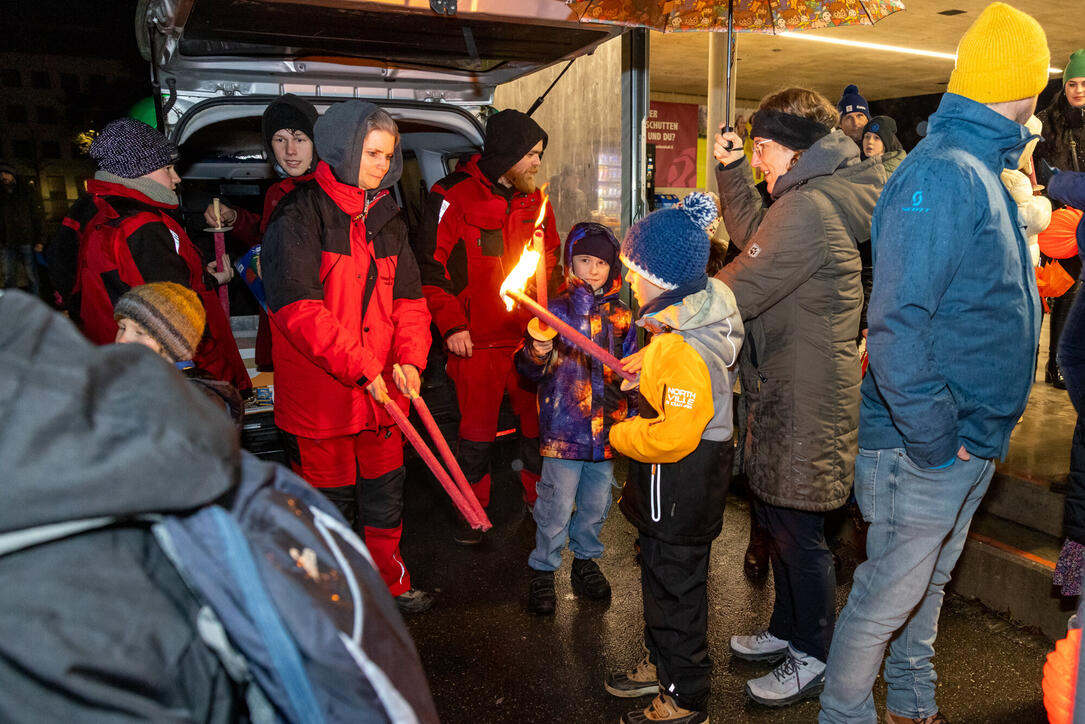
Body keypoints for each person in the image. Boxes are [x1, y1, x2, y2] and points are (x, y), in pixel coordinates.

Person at [818, 5, 1049, 723]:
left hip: (964, 439)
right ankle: (845, 714)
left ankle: (912, 710)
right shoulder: (947, 173)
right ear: (1023, 88)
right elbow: (894, 324)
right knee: (884, 600)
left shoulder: (977, 168)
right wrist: (933, 436)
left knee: (920, 594)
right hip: (926, 446)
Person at [713, 86, 885, 707]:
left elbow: (745, 281)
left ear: (789, 149)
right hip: (796, 384)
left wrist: (673, 309)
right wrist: (732, 172)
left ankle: (814, 651)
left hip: (807, 394)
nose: (758, 161)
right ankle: (788, 631)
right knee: (784, 519)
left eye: (760, 149)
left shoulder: (810, 208)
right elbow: (756, 237)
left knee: (799, 532)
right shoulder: (806, 197)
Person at [261, 100, 435, 615]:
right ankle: (334, 600)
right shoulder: (297, 215)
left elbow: (410, 302)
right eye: (372, 152)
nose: (383, 164)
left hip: (383, 398)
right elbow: (298, 310)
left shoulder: (386, 217)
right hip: (323, 401)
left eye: (389, 154)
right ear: (340, 149)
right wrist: (361, 367)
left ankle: (389, 583)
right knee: (329, 507)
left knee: (385, 496)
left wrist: (410, 360)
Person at [604, 192, 743, 724]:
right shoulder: (691, 316)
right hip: (678, 487)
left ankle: (684, 695)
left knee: (676, 589)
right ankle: (662, 665)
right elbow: (675, 363)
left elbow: (675, 434)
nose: (630, 282)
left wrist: (624, 435)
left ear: (661, 279)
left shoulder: (686, 344)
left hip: (679, 484)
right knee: (662, 578)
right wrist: (649, 365)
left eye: (635, 272)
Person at [415, 108, 560, 543]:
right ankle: (471, 512)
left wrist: (551, 323)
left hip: (528, 341)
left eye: (539, 154)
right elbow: (430, 268)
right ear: (506, 156)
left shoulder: (536, 199)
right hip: (474, 343)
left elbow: (549, 263)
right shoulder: (451, 195)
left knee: (536, 432)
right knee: (475, 437)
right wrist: (452, 325)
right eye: (531, 155)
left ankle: (540, 502)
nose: (537, 163)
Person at [55, 117, 251, 394]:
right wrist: (217, 383)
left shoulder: (92, 210)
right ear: (138, 171)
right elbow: (175, 321)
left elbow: (138, 283)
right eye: (168, 168)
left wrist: (205, 280)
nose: (176, 178)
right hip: (161, 378)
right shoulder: (140, 226)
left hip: (113, 367)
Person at [514, 222, 637, 615]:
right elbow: (528, 369)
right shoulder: (553, 310)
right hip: (564, 432)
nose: (594, 269)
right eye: (585, 260)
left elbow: (631, 372)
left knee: (596, 504)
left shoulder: (623, 317)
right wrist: (537, 348)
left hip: (607, 435)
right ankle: (544, 568)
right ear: (571, 263)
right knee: (554, 504)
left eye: (602, 262)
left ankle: (585, 560)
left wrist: (631, 416)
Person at [201, 94, 320, 372]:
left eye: (300, 139)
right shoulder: (276, 192)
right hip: (279, 319)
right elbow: (266, 238)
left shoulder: (331, 191)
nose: (290, 151)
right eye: (280, 140)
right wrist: (235, 217)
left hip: (315, 327)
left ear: (316, 143)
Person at [113, 281, 243, 424]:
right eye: (122, 328)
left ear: (173, 345)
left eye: (140, 332)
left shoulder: (191, 401)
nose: (123, 339)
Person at [1035, 49, 1085, 389]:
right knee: (1039, 292)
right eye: (1072, 83)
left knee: (1069, 293)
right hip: (1051, 221)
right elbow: (1034, 165)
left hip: (1080, 224)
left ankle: (1057, 364)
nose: (1078, 90)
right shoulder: (1047, 122)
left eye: (1084, 83)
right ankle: (1026, 364)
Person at [0, 161, 43, 295]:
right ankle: (13, 304)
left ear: (13, 174)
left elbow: (37, 216)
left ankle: (35, 303)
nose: (3, 176)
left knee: (31, 275)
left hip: (26, 239)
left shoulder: (25, 191)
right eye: (1, 174)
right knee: (9, 276)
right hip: (6, 240)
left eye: (6, 173)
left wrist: (40, 240)